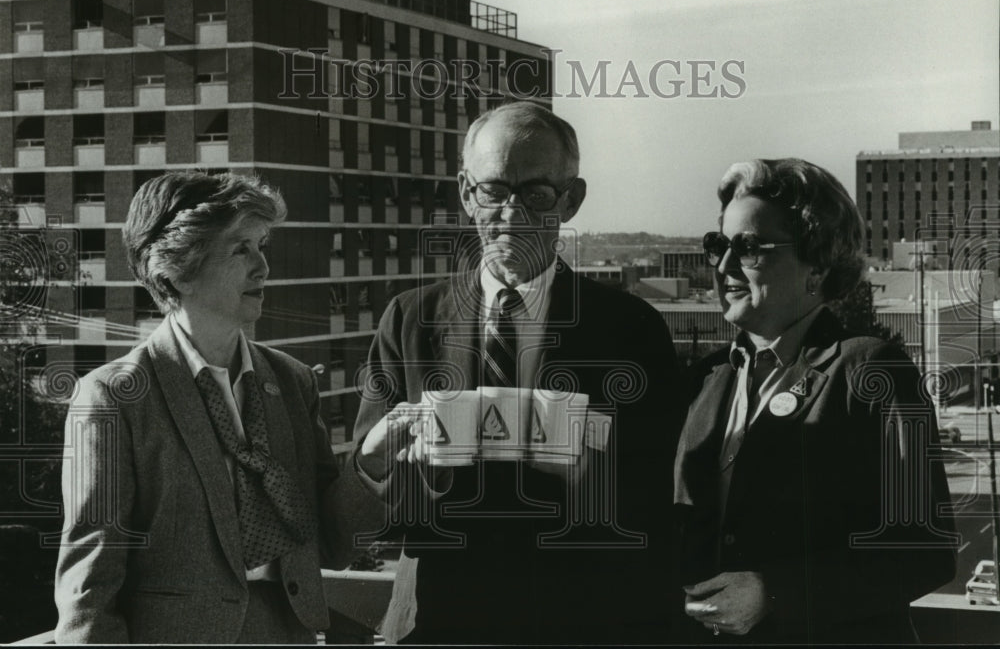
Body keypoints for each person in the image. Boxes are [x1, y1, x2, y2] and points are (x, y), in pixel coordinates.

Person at [351, 101, 684, 644]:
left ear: (571, 200)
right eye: (494, 191)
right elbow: (369, 489)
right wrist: (398, 465)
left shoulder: (631, 329)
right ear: (465, 193)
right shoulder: (409, 319)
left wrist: (582, 472)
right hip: (440, 621)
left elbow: (656, 501)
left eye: (536, 193)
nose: (513, 213)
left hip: (580, 623)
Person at [55, 172, 352, 643]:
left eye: (262, 246)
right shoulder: (114, 398)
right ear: (175, 270)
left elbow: (331, 544)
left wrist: (374, 472)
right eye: (241, 249)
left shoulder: (292, 381)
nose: (263, 267)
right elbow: (91, 582)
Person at [674, 158, 957, 643]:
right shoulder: (707, 379)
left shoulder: (870, 370)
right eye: (718, 245)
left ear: (817, 265)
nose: (723, 267)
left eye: (748, 248)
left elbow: (923, 551)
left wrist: (775, 593)